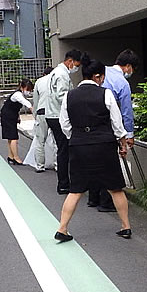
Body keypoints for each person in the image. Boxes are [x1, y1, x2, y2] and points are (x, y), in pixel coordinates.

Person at [54, 55, 132, 242]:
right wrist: (122, 142)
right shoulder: (105, 94)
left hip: (79, 145)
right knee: (115, 188)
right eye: (103, 77)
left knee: (76, 190)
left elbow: (64, 123)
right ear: (98, 77)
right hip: (104, 145)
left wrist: (77, 136)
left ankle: (62, 228)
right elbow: (116, 123)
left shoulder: (69, 96)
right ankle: (125, 226)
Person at [88, 49, 140, 212]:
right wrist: (129, 134)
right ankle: (106, 202)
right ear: (128, 66)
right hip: (108, 127)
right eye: (132, 69)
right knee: (108, 164)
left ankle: (93, 198)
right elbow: (126, 111)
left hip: (90, 124)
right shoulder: (122, 83)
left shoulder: (101, 72)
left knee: (95, 162)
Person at [45, 49, 83, 194]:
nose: (76, 68)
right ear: (70, 61)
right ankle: (64, 184)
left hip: (52, 115)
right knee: (64, 151)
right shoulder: (61, 75)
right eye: (76, 65)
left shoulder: (56, 72)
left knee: (63, 150)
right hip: (57, 115)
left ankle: (64, 183)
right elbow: (61, 96)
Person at [0, 78, 34, 166]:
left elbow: (16, 107)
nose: (29, 92)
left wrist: (18, 116)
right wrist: (31, 108)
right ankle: (16, 157)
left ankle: (10, 156)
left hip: (9, 114)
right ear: (22, 87)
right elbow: (24, 102)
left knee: (10, 137)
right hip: (8, 115)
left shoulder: (19, 94)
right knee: (14, 137)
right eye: (27, 89)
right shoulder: (17, 94)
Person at [31, 66, 55, 173]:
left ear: (44, 74)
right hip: (55, 113)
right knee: (57, 141)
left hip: (41, 112)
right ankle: (58, 165)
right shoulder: (57, 79)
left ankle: (40, 166)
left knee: (40, 141)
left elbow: (35, 100)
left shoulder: (39, 81)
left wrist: (34, 114)